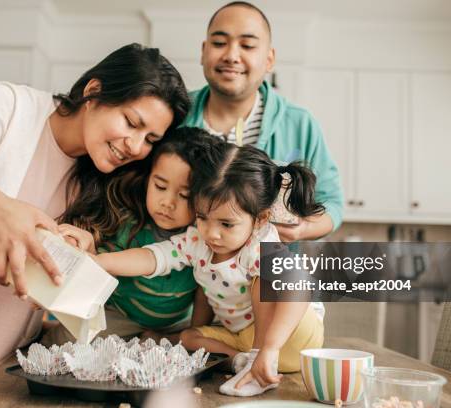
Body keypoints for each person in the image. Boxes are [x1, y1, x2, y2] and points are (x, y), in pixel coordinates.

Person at [0, 43, 190, 386]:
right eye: (131, 122)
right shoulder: (9, 107)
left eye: (150, 139)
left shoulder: (105, 182)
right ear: (93, 91)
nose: (136, 146)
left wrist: (76, 260)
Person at [94, 142, 326, 397]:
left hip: (290, 334)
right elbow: (154, 257)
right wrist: (100, 262)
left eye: (227, 224)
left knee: (265, 278)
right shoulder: (196, 241)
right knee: (189, 338)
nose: (212, 233)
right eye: (203, 217)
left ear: (259, 219)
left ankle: (259, 362)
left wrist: (268, 349)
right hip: (241, 339)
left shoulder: (261, 242)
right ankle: (241, 363)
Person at [47, 127, 224, 345]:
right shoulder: (129, 223)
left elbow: (204, 291)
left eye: (185, 195)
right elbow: (100, 271)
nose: (167, 202)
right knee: (66, 341)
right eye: (160, 186)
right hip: (121, 315)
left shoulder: (207, 238)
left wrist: (195, 333)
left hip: (178, 324)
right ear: (148, 178)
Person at [183, 1, 343, 241]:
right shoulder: (176, 111)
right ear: (204, 51)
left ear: (269, 59)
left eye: (247, 45)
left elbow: (332, 203)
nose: (231, 55)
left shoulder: (300, 123)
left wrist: (303, 229)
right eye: (218, 43)